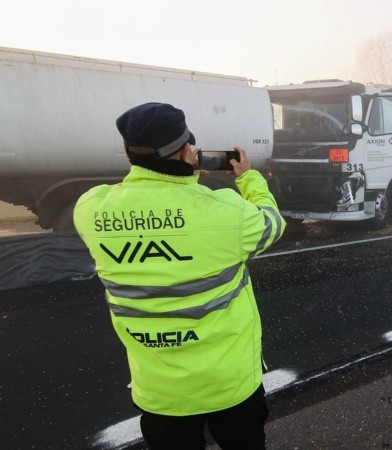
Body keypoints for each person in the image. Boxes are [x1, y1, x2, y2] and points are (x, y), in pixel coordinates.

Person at [73, 102, 285, 449]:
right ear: (189, 151)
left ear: (128, 151)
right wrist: (247, 177)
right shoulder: (225, 212)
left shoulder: (91, 209)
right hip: (230, 386)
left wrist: (176, 179)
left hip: (161, 393)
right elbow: (272, 224)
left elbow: (144, 201)